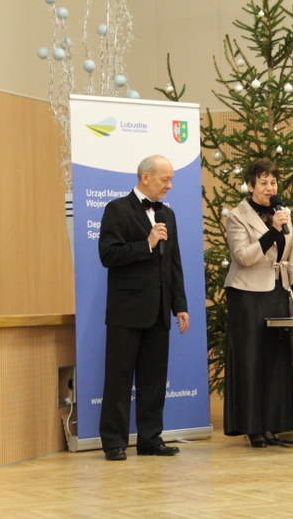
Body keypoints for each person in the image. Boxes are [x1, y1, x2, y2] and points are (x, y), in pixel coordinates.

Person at [98, 154, 190, 461]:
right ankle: (114, 442)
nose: (170, 185)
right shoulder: (117, 209)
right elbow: (108, 255)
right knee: (119, 379)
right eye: (165, 179)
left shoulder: (167, 214)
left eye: (171, 179)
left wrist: (179, 305)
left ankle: (150, 439)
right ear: (145, 177)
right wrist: (147, 244)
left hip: (159, 309)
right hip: (126, 310)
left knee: (153, 380)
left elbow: (173, 263)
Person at [223, 158, 293, 448]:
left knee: (275, 362)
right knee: (251, 362)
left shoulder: (282, 213)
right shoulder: (237, 216)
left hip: (276, 294)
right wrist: (272, 230)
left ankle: (271, 424)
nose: (269, 187)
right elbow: (244, 257)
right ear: (250, 185)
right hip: (247, 296)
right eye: (263, 182)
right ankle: (253, 427)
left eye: (273, 182)